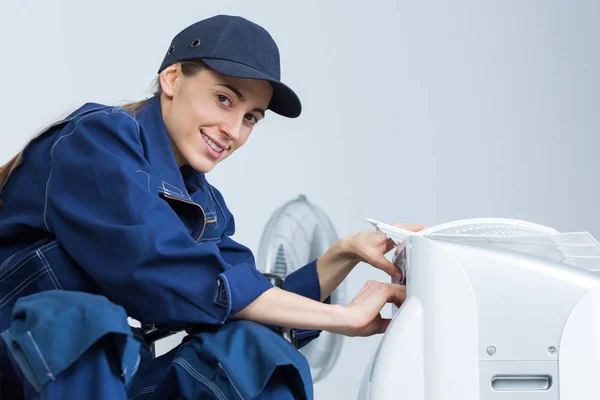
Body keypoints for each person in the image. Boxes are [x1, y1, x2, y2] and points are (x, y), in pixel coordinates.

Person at [0, 14, 425, 400]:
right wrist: (343, 317)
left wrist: (344, 253)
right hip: (21, 364)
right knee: (80, 319)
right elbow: (166, 269)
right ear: (171, 78)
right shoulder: (96, 142)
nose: (233, 131)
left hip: (105, 380)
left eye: (251, 117)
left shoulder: (204, 206)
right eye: (224, 99)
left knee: (255, 353)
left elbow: (253, 300)